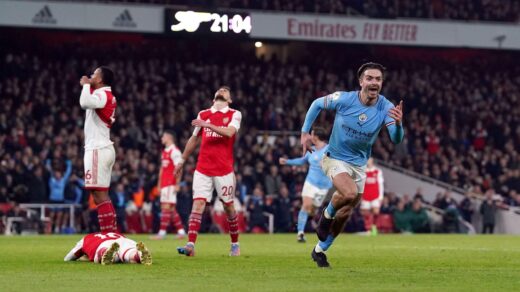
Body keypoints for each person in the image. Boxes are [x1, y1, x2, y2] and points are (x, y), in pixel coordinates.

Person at [300, 62, 404, 268]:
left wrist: (399, 124)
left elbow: (396, 139)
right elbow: (316, 104)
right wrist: (305, 132)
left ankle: (320, 250)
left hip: (358, 165)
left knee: (346, 212)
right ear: (361, 81)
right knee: (348, 194)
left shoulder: (387, 107)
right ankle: (326, 216)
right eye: (370, 78)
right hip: (335, 157)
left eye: (378, 79)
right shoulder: (344, 98)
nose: (374, 82)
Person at [175, 86, 242, 257]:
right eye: (220, 90)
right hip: (203, 168)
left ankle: (235, 243)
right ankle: (190, 245)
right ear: (214, 98)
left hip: (224, 170)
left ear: (230, 99)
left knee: (228, 207)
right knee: (198, 204)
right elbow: (194, 138)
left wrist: (208, 125)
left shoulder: (234, 114)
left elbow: (229, 132)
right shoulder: (203, 113)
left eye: (226, 91)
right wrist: (182, 160)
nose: (222, 91)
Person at [79, 67, 118, 233]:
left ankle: (110, 235)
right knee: (98, 195)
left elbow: (84, 103)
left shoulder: (102, 95)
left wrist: (86, 86)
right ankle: (110, 234)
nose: (90, 76)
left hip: (98, 149)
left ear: (100, 79)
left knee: (100, 196)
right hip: (101, 148)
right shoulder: (105, 95)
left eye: (94, 74)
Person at [279, 126, 332, 243]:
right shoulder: (311, 150)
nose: (309, 137)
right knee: (306, 205)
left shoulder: (329, 149)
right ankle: (300, 233)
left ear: (317, 137)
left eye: (311, 134)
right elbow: (301, 161)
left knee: (313, 210)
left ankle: (309, 220)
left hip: (324, 186)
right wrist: (287, 162)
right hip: (310, 182)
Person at [152, 130, 186, 239]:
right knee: (171, 209)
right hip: (164, 184)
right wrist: (159, 184)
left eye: (163, 137)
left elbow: (179, 168)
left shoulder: (175, 151)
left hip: (170, 183)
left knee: (165, 207)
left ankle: (161, 233)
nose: (162, 138)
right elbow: (162, 169)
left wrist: (177, 184)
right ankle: (181, 232)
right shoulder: (165, 151)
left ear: (169, 138)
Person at [64, 232, 152, 265]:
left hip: (103, 244)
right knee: (127, 253)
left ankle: (106, 253)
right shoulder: (115, 232)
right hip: (125, 239)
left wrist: (82, 257)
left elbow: (68, 258)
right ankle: (138, 254)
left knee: (103, 252)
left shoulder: (86, 238)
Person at [360, 157, 384, 235]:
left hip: (375, 195)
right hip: (365, 195)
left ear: (372, 161)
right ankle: (368, 229)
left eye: (369, 160)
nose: (368, 162)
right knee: (365, 213)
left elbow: (380, 184)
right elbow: (360, 184)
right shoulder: (363, 171)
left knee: (376, 212)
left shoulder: (377, 171)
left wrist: (381, 196)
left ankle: (374, 226)